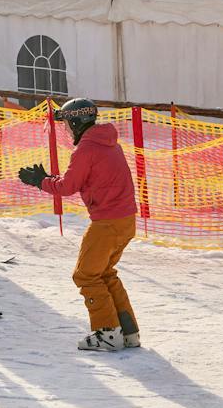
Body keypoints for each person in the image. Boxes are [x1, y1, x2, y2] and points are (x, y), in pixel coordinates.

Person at [18, 98, 140, 351]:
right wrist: (48, 178)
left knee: (85, 274)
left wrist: (41, 181)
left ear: (76, 121)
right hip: (125, 220)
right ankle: (128, 331)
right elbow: (83, 179)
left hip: (107, 222)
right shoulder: (109, 143)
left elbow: (68, 187)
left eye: (67, 125)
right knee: (104, 272)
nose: (66, 130)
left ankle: (107, 333)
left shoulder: (87, 148)